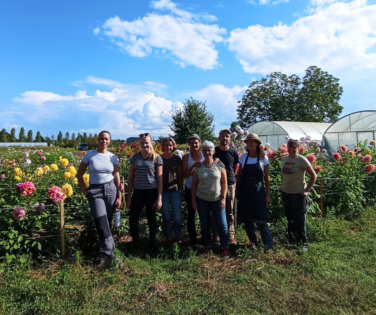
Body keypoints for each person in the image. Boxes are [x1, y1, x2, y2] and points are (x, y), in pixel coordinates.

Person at [77, 130, 122, 263]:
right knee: (101, 223)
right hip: (95, 191)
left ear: (110, 141)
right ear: (98, 140)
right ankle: (112, 254)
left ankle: (102, 253)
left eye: (106, 139)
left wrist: (119, 196)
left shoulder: (112, 157)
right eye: (102, 139)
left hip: (110, 190)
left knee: (107, 222)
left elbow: (117, 177)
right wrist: (85, 191)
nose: (104, 141)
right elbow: (79, 174)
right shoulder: (90, 156)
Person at [191, 141, 230, 258]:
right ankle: (207, 245)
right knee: (204, 224)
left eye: (209, 150)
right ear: (202, 152)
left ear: (213, 151)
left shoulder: (220, 165)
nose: (207, 152)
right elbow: (194, 185)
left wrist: (223, 198)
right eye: (205, 150)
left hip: (217, 199)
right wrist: (193, 200)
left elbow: (224, 183)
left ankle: (224, 248)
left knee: (222, 224)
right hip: (202, 199)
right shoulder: (198, 167)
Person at [126, 133, 163, 255]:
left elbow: (160, 179)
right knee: (133, 218)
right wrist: (128, 195)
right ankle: (136, 243)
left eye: (147, 142)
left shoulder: (157, 158)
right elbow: (131, 178)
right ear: (139, 143)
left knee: (151, 219)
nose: (144, 144)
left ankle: (152, 244)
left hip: (151, 192)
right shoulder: (135, 158)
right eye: (142, 142)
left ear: (151, 142)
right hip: (138, 192)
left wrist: (159, 197)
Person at [236, 133, 273, 250]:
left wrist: (267, 195)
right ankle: (253, 242)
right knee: (248, 219)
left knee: (261, 219)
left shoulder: (263, 158)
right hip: (245, 191)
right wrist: (237, 191)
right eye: (248, 142)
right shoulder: (243, 158)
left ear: (257, 144)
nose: (250, 144)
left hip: (258, 191)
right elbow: (239, 175)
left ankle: (268, 245)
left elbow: (266, 177)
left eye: (252, 142)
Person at [281, 139, 317, 251]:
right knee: (289, 218)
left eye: (294, 148)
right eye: (289, 147)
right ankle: (291, 240)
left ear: (298, 148)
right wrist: (282, 185)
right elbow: (283, 174)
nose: (291, 150)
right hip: (286, 193)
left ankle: (303, 243)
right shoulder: (284, 159)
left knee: (299, 219)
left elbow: (313, 176)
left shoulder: (302, 160)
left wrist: (306, 190)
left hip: (298, 194)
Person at [213, 129, 239, 244]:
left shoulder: (233, 152)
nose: (224, 138)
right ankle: (216, 234)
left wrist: (229, 179)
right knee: (215, 210)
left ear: (230, 139)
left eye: (227, 136)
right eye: (222, 136)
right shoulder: (215, 151)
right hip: (215, 185)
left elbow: (235, 168)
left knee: (230, 210)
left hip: (229, 184)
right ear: (219, 137)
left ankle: (231, 233)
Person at [181, 134, 204, 246]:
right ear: (189, 145)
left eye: (196, 142)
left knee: (204, 214)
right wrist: (193, 166)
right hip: (190, 189)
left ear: (199, 143)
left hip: (204, 189)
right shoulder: (186, 157)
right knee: (191, 214)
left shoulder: (205, 155)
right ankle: (193, 238)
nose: (194, 145)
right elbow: (184, 174)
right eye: (192, 143)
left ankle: (205, 237)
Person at [160, 137, 183, 243]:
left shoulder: (177, 159)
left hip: (175, 191)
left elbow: (179, 175)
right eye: (166, 145)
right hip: (163, 191)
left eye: (170, 145)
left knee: (177, 216)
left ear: (173, 146)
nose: (168, 147)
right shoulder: (159, 159)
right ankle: (168, 237)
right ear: (163, 146)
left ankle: (177, 236)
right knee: (166, 216)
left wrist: (181, 190)